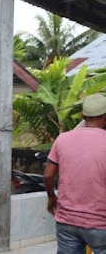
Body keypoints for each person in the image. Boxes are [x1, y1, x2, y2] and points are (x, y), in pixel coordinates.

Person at [44, 93, 106, 254]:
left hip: (67, 223)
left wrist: (52, 197)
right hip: (100, 224)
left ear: (82, 115)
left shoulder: (62, 139)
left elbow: (48, 175)